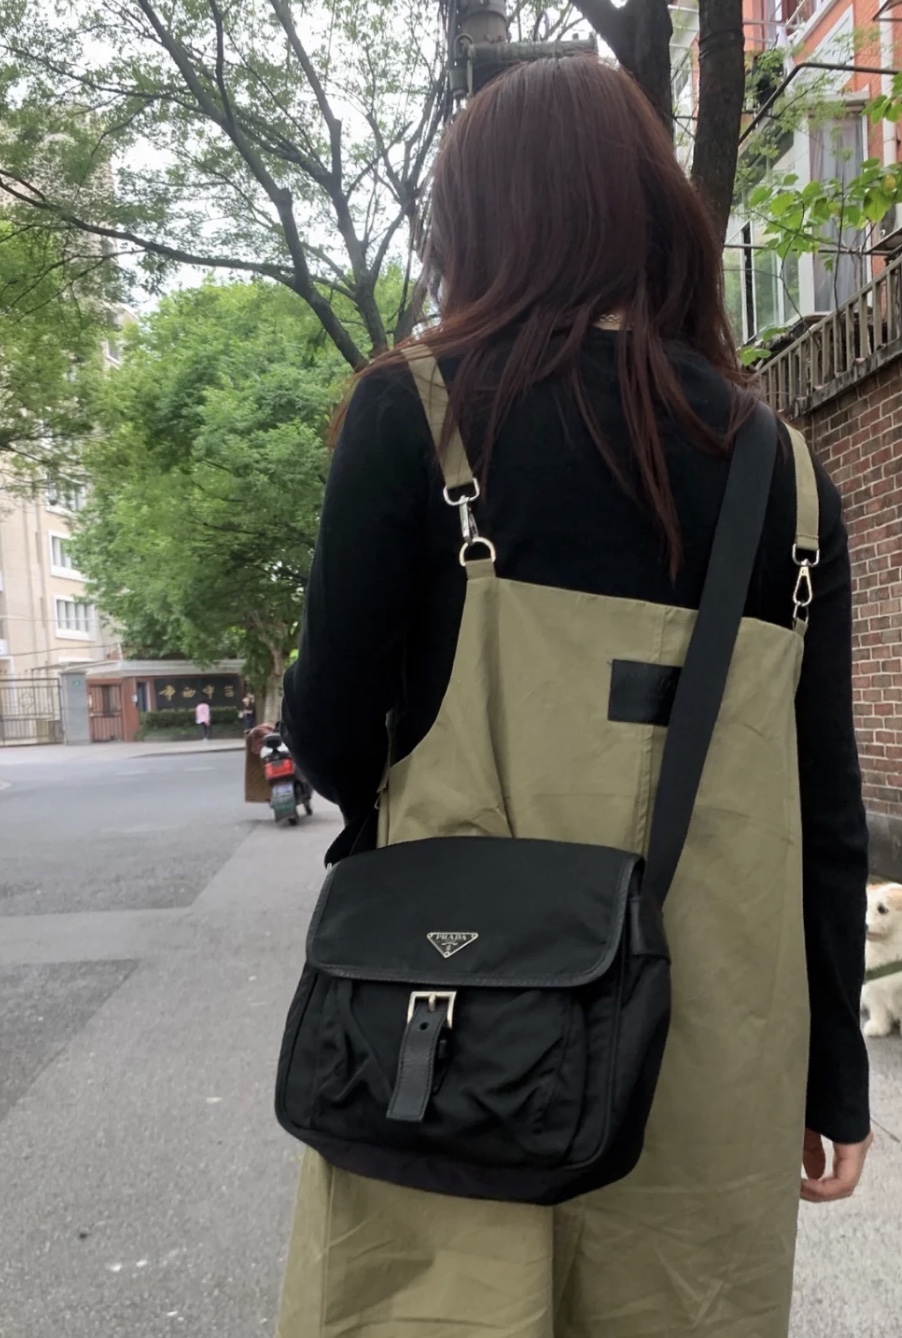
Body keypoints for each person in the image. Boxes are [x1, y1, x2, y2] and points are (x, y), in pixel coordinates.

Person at [277, 57, 871, 1338]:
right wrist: (835, 1076)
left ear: (478, 222)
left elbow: (327, 738)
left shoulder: (416, 413)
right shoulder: (785, 475)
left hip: (456, 1016)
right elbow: (825, 809)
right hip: (712, 1027)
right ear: (656, 213)